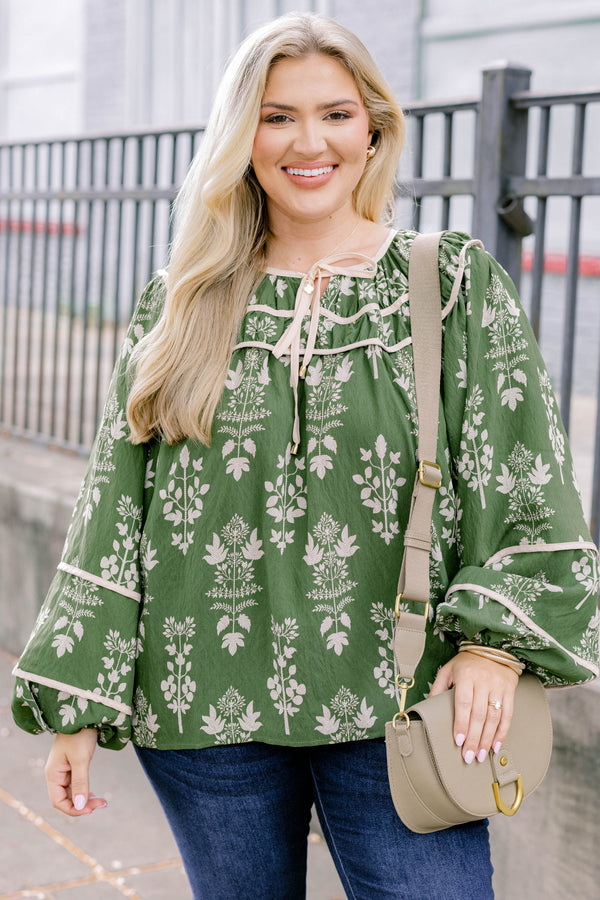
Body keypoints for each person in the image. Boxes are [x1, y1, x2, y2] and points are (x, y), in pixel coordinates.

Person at [11, 11, 599, 899]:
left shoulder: (448, 283)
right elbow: (115, 505)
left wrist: (493, 647)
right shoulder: (180, 300)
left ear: (374, 129)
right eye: (277, 116)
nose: (307, 141)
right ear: (243, 138)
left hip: (398, 695)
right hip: (201, 693)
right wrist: (79, 703)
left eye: (334, 113)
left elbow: (521, 475)